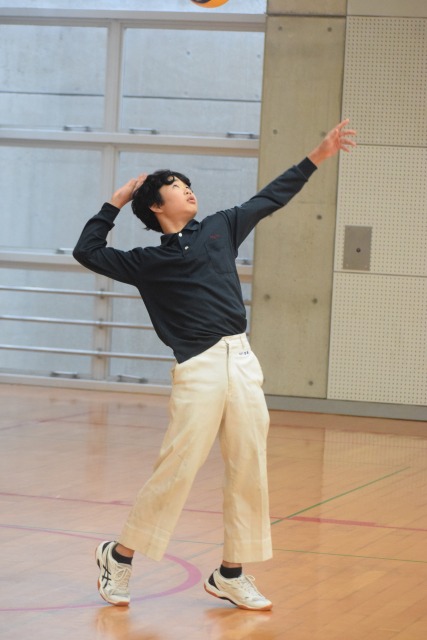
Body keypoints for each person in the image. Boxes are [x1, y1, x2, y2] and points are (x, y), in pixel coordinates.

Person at [73, 119, 356, 611]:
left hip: (242, 359)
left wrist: (318, 154)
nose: (188, 190)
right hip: (198, 367)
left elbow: (270, 197)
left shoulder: (222, 227)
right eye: (176, 186)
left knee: (249, 465)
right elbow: (88, 251)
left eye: (188, 184)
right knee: (178, 467)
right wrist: (113, 203)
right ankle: (118, 556)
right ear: (156, 205)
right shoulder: (147, 262)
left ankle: (231, 573)